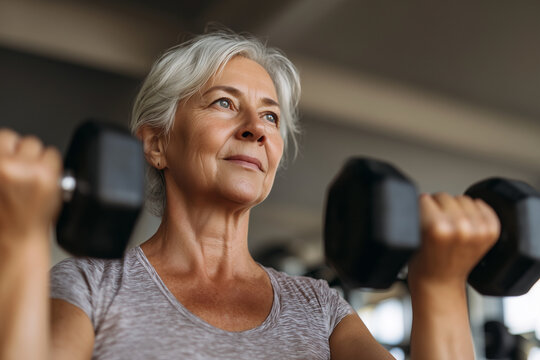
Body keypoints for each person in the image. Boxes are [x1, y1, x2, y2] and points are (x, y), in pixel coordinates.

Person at [0, 30, 500, 360]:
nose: (255, 130)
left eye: (270, 117)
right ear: (156, 145)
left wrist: (439, 286)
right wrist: (20, 240)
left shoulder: (319, 308)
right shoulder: (93, 285)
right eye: (224, 103)